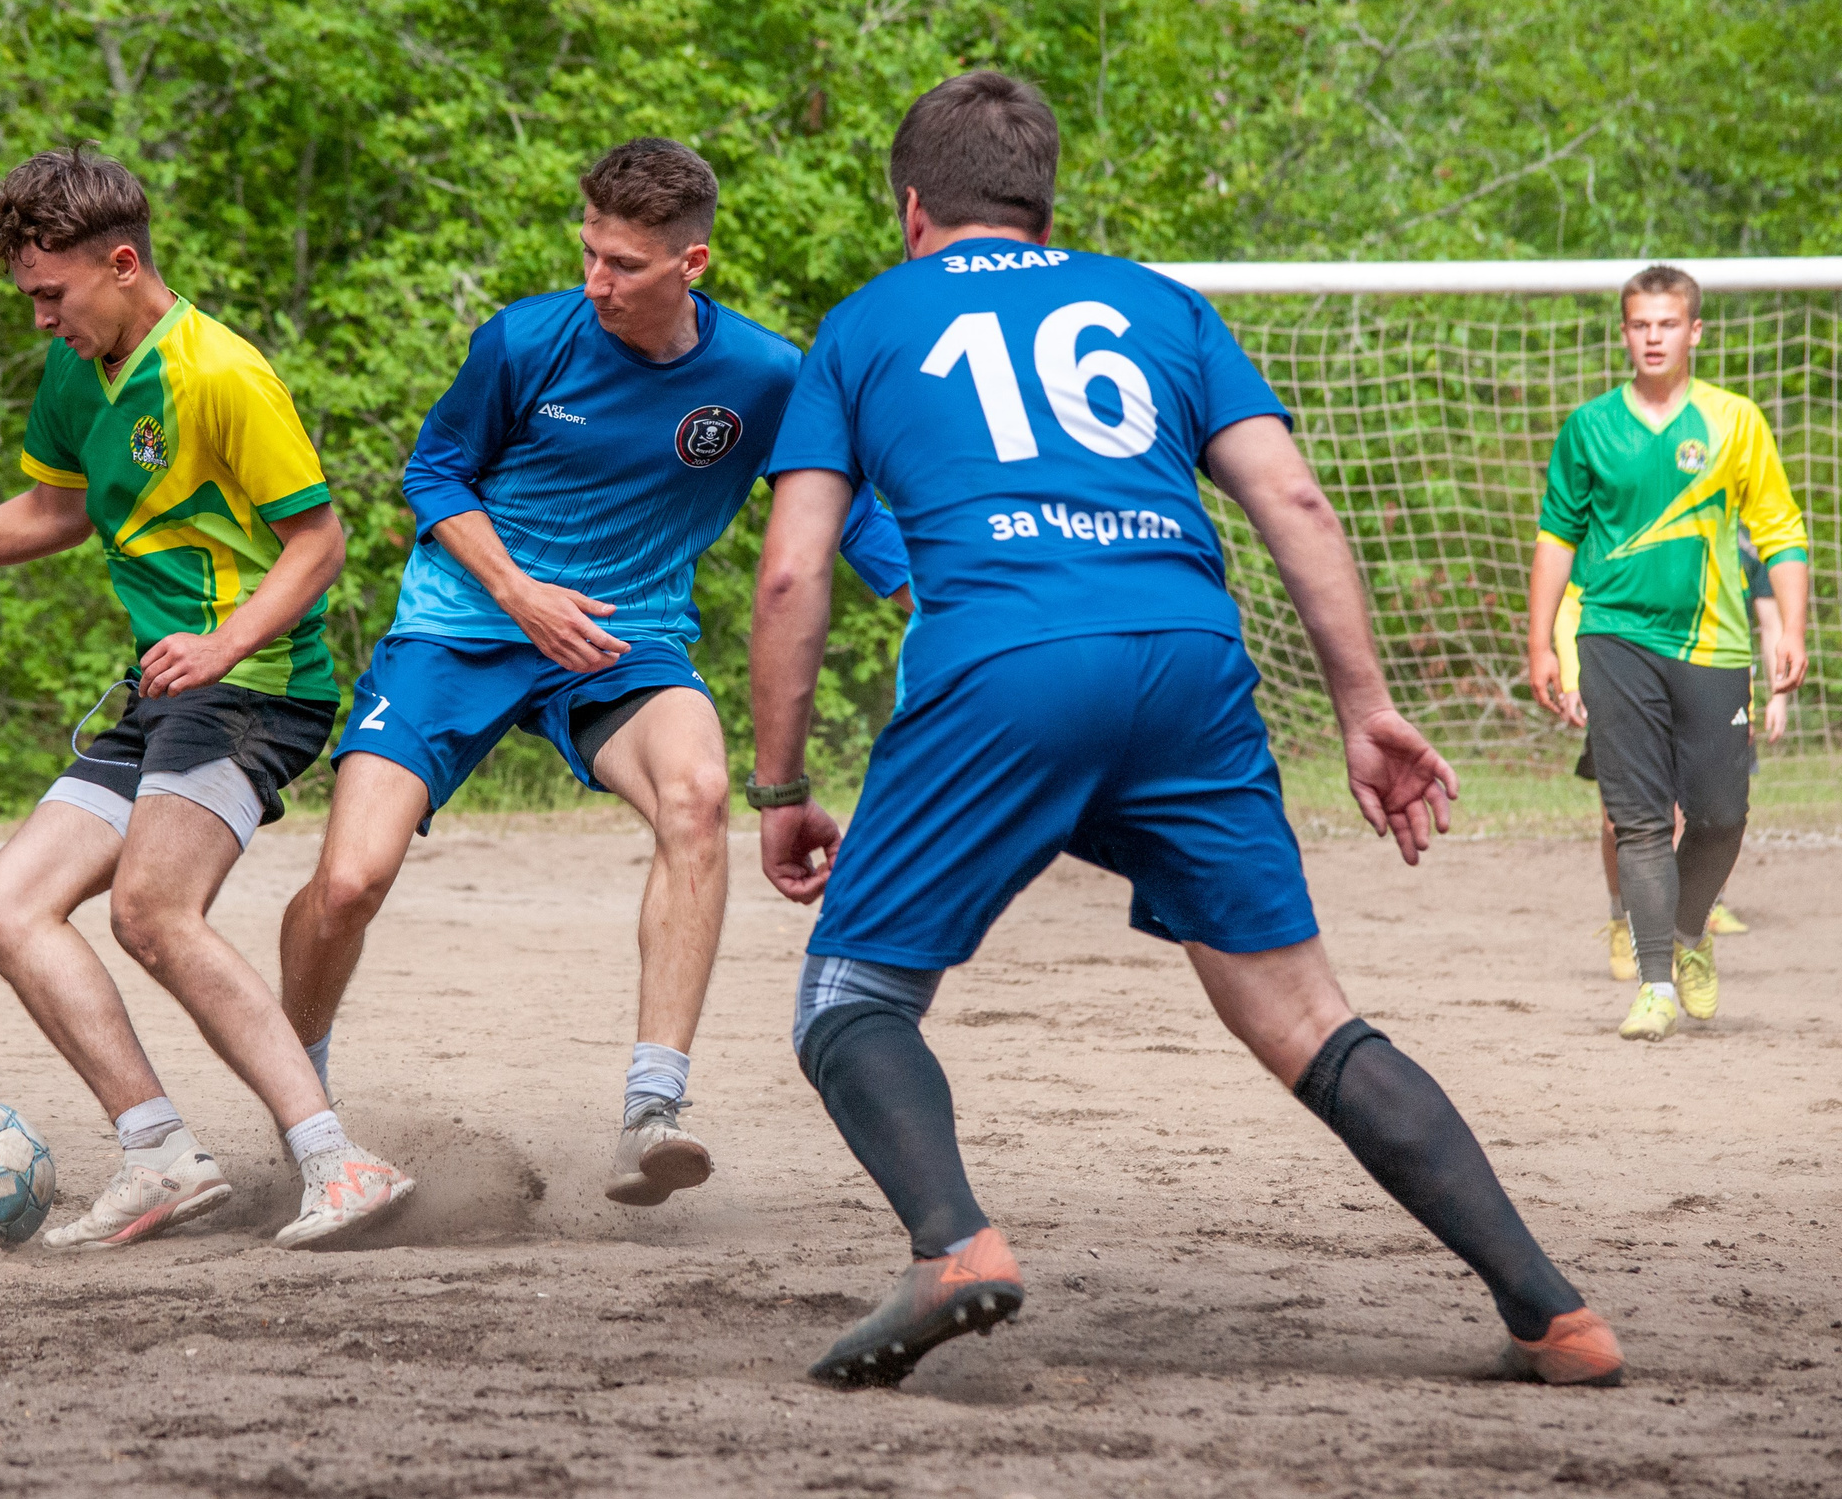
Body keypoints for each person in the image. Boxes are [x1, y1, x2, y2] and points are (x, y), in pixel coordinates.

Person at [750, 71, 1620, 1391]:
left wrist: (782, 782)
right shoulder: (1159, 304)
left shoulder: (865, 327)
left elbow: (791, 575)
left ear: (911, 206)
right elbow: (1298, 507)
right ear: (1045, 207)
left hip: (1005, 661)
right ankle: (1553, 1314)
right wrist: (1365, 708)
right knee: (1304, 1017)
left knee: (849, 999)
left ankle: (955, 1245)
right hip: (1188, 659)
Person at [277, 138, 908, 1204]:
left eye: (622, 264)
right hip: (459, 629)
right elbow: (433, 473)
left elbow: (844, 506)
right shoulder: (524, 340)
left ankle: (651, 1111)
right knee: (348, 880)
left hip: (626, 640)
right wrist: (521, 592)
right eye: (589, 254)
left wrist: (932, 597)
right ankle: (292, 1089)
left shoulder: (762, 375)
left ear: (691, 263)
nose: (595, 282)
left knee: (699, 796)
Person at [0, 147, 412, 1251]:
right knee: (6, 905)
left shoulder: (221, 372)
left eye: (52, 293)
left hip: (257, 687)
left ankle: (338, 1159)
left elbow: (318, 542)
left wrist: (226, 641)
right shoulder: (76, 370)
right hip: (163, 687)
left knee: (150, 910)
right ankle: (159, 1154)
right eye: (28, 295)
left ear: (122, 262)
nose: (41, 317)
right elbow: (54, 512)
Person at [1527, 267, 1809, 1041]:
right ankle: (1653, 984)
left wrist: (1791, 627)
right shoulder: (1589, 428)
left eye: (1666, 324)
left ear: (1694, 332)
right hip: (1614, 638)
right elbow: (1557, 537)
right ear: (1624, 333)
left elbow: (1781, 531)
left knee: (1720, 815)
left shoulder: (1735, 421)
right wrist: (1540, 642)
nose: (1652, 337)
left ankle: (1689, 935)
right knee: (1640, 820)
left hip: (1712, 643)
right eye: (1638, 324)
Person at [1555, 535, 1786, 981]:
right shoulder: (1622, 532)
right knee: (1621, 821)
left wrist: (1776, 694)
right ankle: (1623, 917)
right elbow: (1569, 600)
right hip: (1627, 689)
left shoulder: (1742, 552)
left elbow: (1769, 622)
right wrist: (1571, 676)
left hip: (1706, 694)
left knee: (1704, 818)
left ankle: (1687, 927)